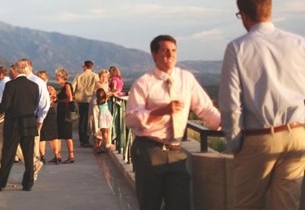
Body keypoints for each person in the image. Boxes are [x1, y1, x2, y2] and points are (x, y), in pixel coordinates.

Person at [219, 1, 305, 209]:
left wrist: (235, 143)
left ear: (244, 15)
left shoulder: (237, 48)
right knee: (287, 205)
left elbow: (230, 105)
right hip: (297, 135)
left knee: (247, 204)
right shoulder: (299, 44)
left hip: (259, 137)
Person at [125, 35, 220, 210]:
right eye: (165, 51)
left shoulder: (186, 79)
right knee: (150, 204)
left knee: (180, 204)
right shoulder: (144, 83)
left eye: (174, 51)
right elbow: (130, 119)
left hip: (176, 151)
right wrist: (160, 111)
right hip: (148, 150)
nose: (170, 55)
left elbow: (204, 108)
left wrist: (226, 125)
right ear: (154, 54)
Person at [0, 60, 39, 192]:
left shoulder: (10, 85)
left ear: (16, 70)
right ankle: (28, 183)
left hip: (13, 124)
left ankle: (0, 183)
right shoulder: (34, 86)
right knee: (28, 155)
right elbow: (35, 104)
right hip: (29, 124)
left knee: (8, 155)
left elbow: (6, 105)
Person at [72, 61, 98, 148]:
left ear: (85, 67)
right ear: (91, 67)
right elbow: (98, 88)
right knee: (88, 121)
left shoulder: (79, 75)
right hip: (90, 100)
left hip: (80, 100)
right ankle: (86, 139)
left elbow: (73, 87)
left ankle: (82, 139)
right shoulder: (95, 76)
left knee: (82, 120)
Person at [35, 71, 59, 164]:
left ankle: (42, 156)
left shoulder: (37, 88)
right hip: (51, 110)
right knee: (53, 135)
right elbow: (55, 99)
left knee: (42, 136)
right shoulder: (50, 89)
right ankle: (57, 155)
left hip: (41, 111)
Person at [89, 70, 115, 153]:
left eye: (105, 76)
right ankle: (97, 146)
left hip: (102, 107)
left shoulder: (106, 84)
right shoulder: (98, 84)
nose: (104, 78)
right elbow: (103, 94)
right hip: (97, 107)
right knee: (97, 126)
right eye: (102, 76)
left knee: (102, 126)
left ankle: (99, 146)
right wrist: (113, 92)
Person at [55, 68, 75, 164]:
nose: (57, 78)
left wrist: (59, 100)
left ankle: (71, 155)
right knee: (60, 134)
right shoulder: (63, 86)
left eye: (58, 76)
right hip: (62, 112)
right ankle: (58, 155)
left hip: (66, 112)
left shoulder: (67, 85)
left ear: (63, 77)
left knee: (67, 135)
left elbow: (70, 98)